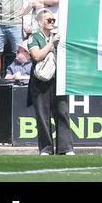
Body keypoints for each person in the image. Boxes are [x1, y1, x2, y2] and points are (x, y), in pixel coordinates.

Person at [26, 8, 73, 155]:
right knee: (42, 115)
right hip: (40, 82)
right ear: (40, 22)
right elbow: (37, 56)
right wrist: (51, 43)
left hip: (57, 80)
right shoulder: (34, 37)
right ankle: (46, 148)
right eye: (49, 20)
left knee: (62, 112)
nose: (52, 22)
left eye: (53, 20)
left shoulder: (58, 37)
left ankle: (65, 148)